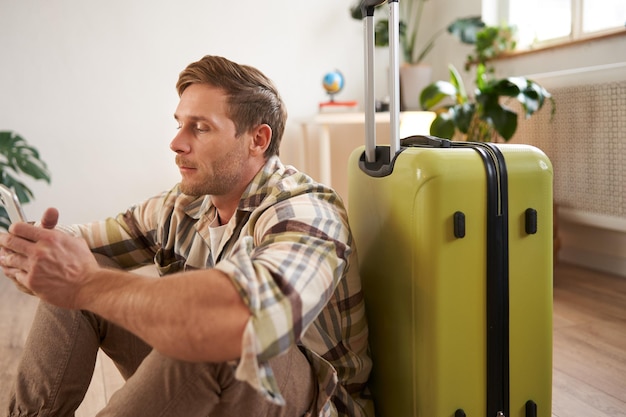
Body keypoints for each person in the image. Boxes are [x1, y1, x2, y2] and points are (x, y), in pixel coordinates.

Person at [0, 55, 373, 417]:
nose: (177, 142)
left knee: (219, 331)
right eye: (179, 123)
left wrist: (85, 283)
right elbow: (80, 243)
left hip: (312, 405)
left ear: (257, 140)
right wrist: (31, 247)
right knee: (82, 260)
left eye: (200, 127)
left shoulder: (306, 210)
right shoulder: (184, 206)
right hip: (223, 392)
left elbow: (245, 320)